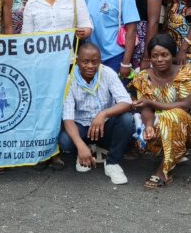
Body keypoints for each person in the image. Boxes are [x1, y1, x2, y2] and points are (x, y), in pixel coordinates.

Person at [130, 34, 191, 189]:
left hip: (189, 129)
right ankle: (172, 154)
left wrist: (152, 102)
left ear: (173, 55)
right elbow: (145, 107)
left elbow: (184, 105)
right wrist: (149, 125)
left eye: (164, 55)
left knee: (173, 114)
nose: (159, 59)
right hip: (159, 125)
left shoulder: (187, 72)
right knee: (147, 129)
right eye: (155, 56)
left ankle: (163, 171)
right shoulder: (143, 77)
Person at [57, 43, 134, 184]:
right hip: (82, 126)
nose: (90, 66)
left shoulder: (107, 73)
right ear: (77, 61)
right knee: (65, 141)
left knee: (127, 120)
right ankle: (84, 150)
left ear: (100, 61)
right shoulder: (69, 80)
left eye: (95, 62)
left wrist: (103, 114)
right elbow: (68, 119)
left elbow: (126, 102)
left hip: (104, 125)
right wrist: (80, 145)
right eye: (85, 61)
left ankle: (112, 162)